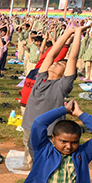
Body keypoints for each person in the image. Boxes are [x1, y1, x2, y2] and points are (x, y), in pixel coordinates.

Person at [21, 26, 80, 168]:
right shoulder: (41, 79)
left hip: (49, 132)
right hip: (30, 127)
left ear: (65, 73)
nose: (54, 63)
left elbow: (72, 57)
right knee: (35, 159)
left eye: (60, 64)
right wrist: (67, 32)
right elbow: (50, 55)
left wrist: (77, 33)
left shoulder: (61, 86)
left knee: (49, 164)